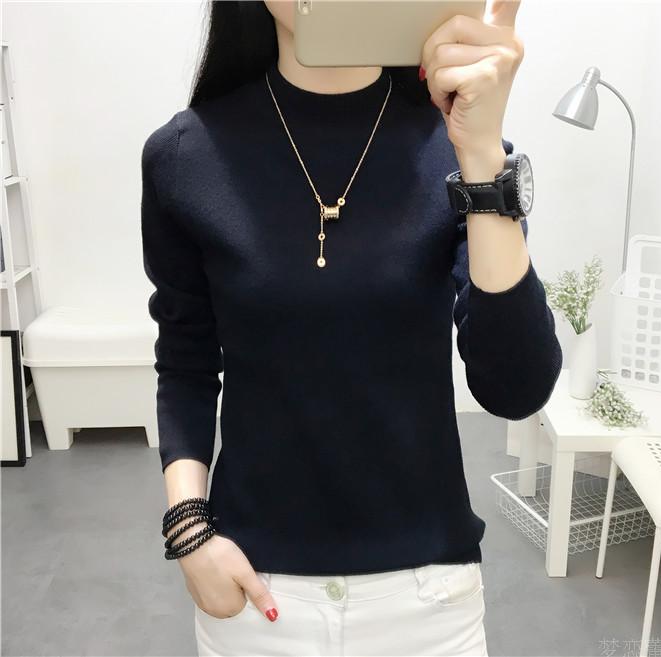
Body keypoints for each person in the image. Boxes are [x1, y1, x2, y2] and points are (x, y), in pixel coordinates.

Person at [141, 1, 561, 655]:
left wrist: (482, 155)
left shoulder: (453, 148)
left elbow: (516, 387)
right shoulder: (184, 156)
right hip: (256, 595)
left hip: (428, 601)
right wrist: (188, 530)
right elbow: (185, 360)